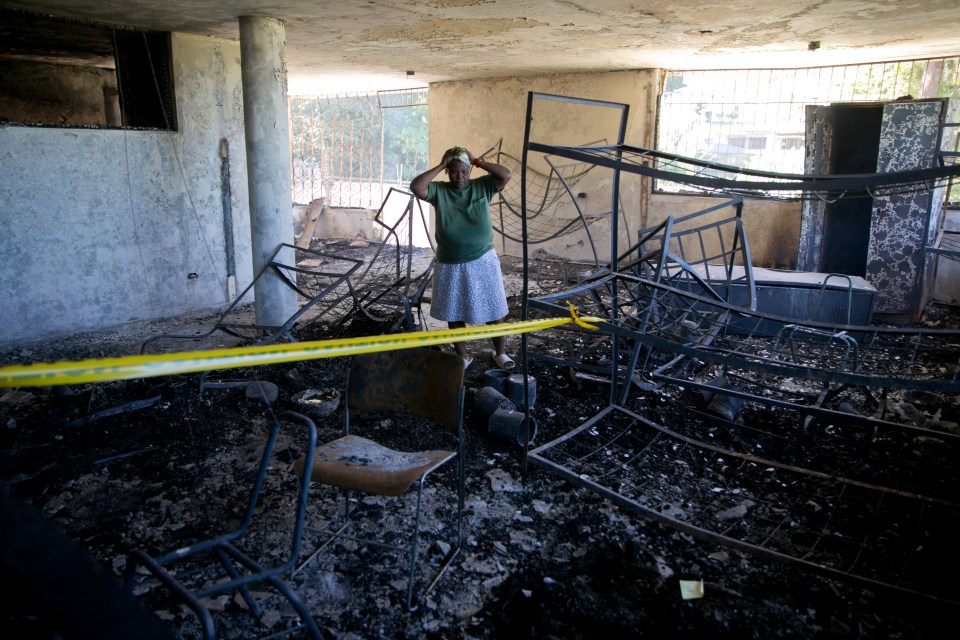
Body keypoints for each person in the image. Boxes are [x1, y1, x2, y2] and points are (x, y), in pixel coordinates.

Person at [410, 146, 515, 370]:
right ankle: (463, 357)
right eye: (455, 171)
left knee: (494, 308)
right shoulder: (439, 191)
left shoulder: (483, 186)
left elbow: (505, 174)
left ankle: (500, 353)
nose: (460, 177)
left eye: (465, 172)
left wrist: (477, 160)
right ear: (448, 171)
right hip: (450, 261)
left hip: (483, 258)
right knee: (454, 310)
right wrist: (441, 164)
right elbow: (416, 187)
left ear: (470, 172)